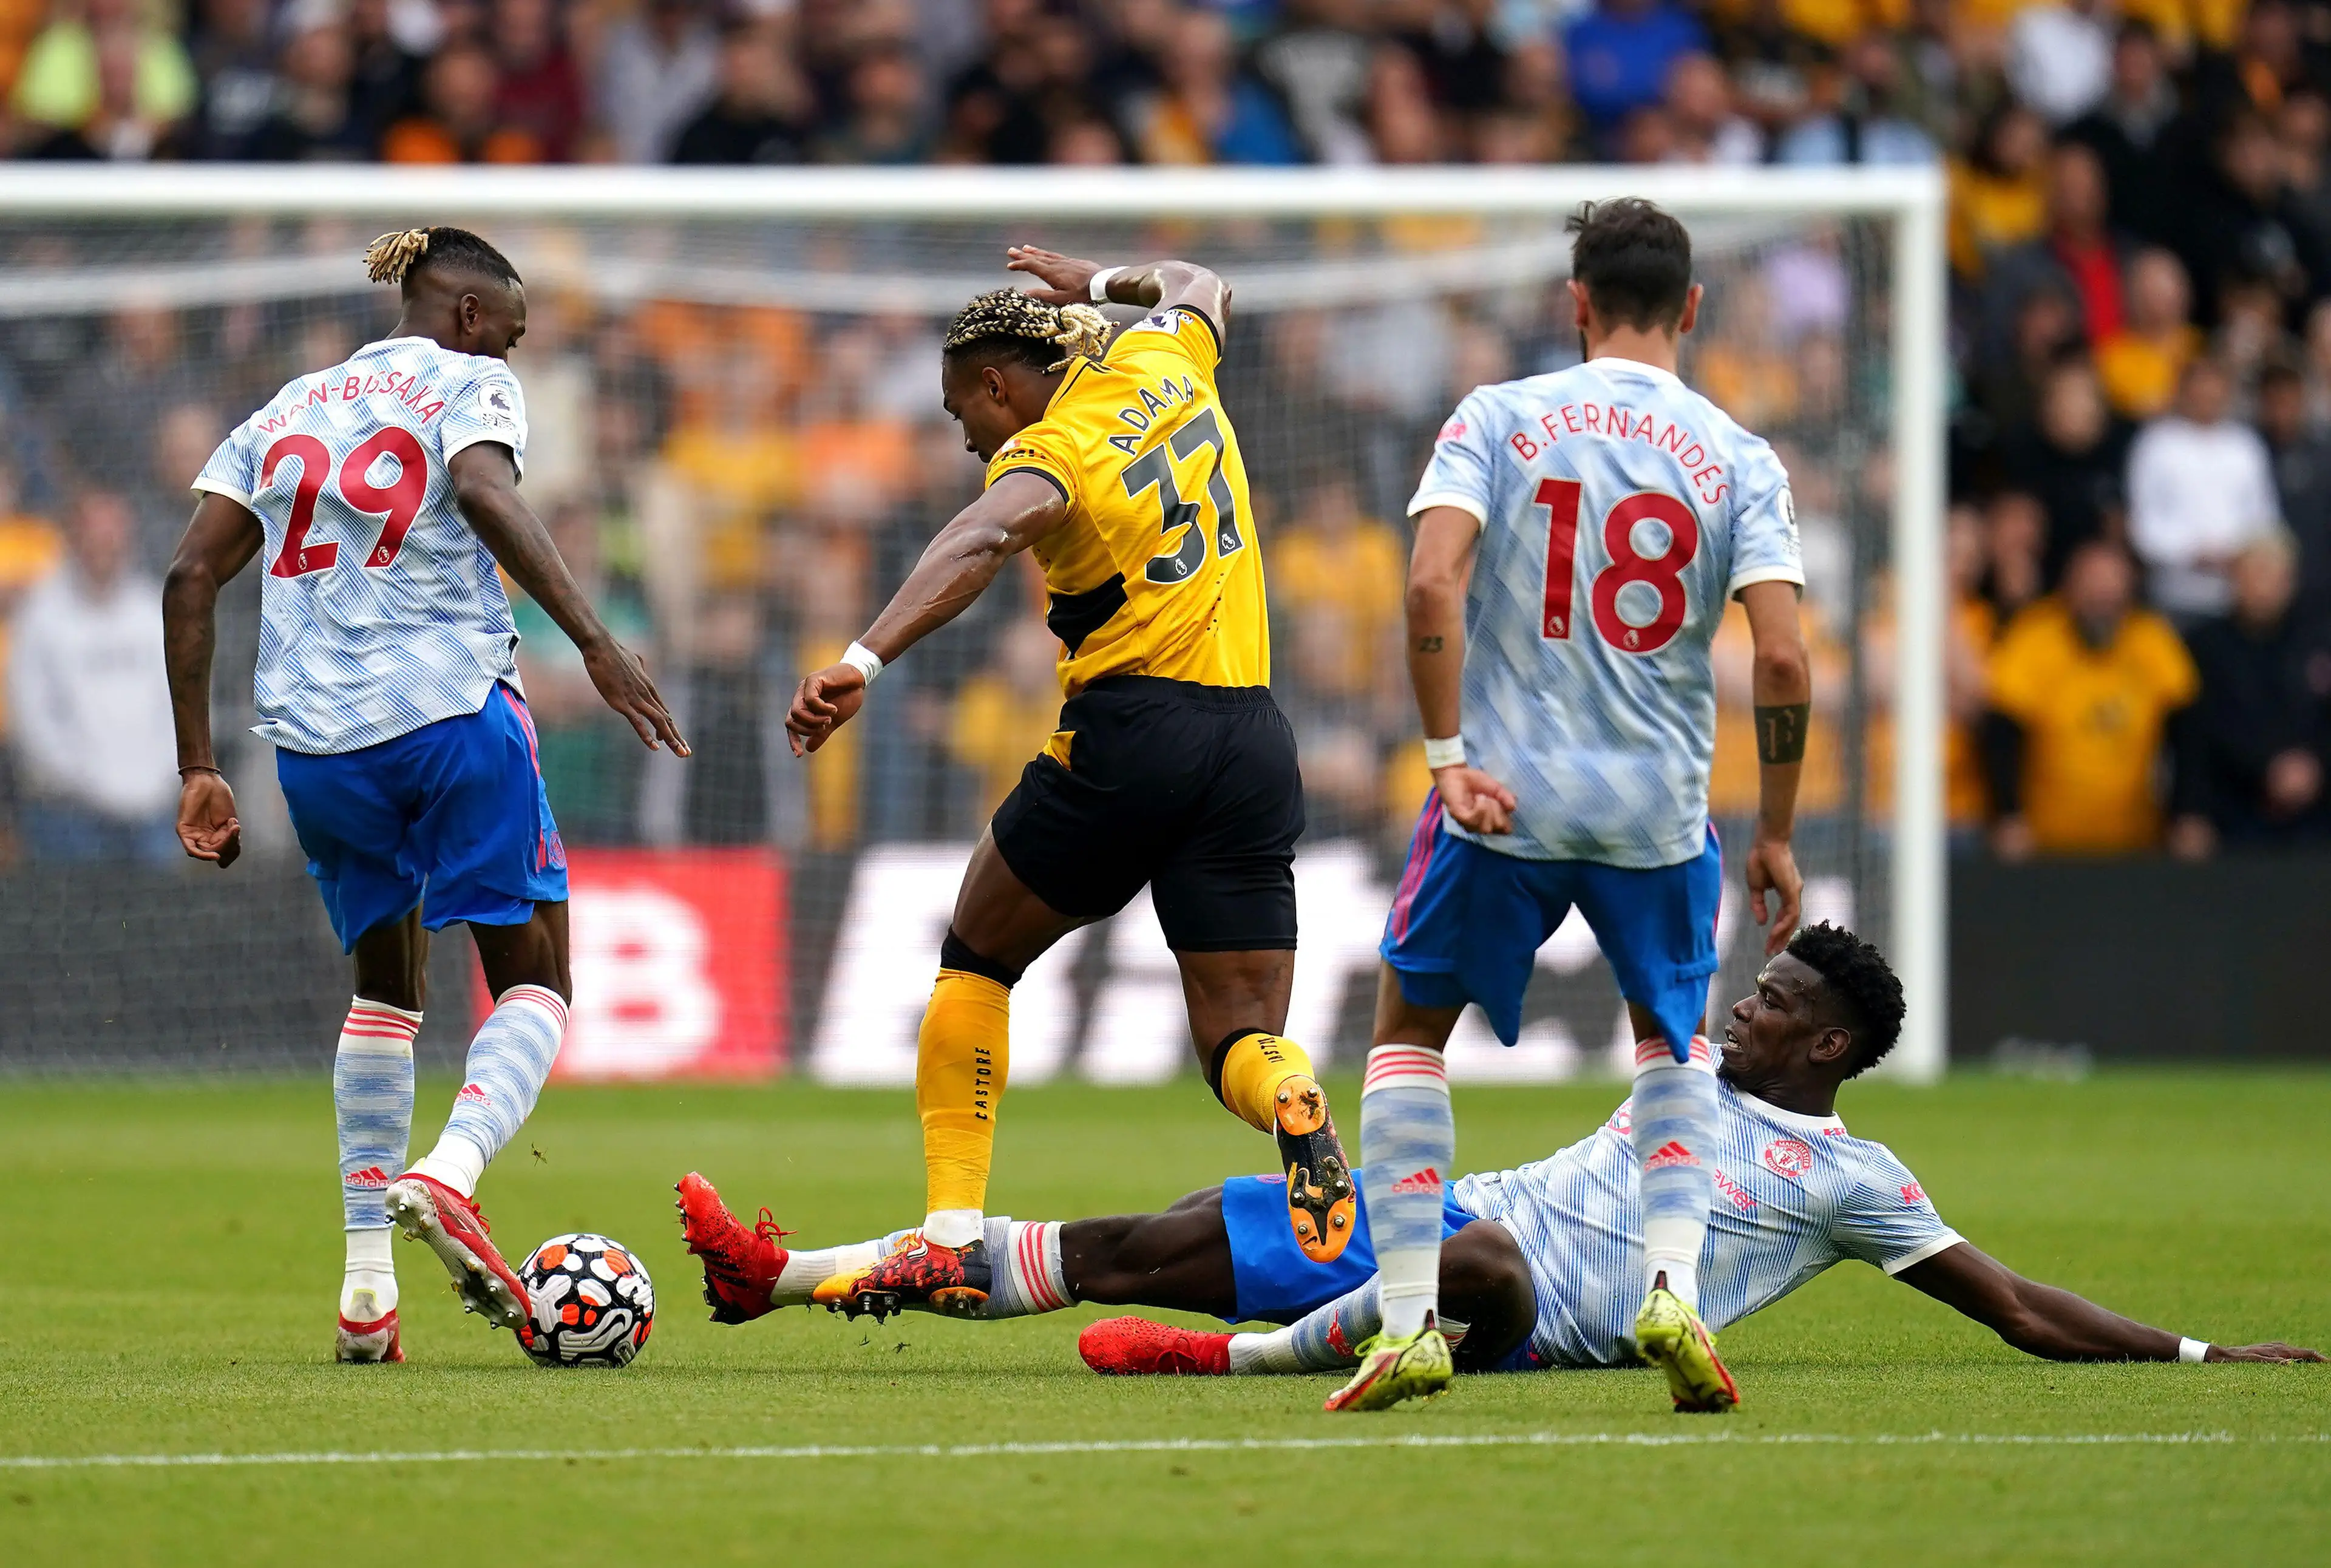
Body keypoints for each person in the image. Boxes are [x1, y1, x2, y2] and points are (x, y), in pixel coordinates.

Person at [673, 925, 2324, 1390]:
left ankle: (801, 1278)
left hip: (1522, 1292)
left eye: (1771, 1002)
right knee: (1142, 1230)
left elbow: (2017, 1300)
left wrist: (2201, 1346)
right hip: (1461, 1217)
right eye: (1747, 988)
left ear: (1827, 1045)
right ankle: (822, 1277)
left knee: (1452, 1267)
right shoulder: (1686, 1071)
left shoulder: (1856, 1178)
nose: (1736, 1010)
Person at [702, 246, 1346, 1323]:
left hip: (1134, 727)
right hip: (1252, 739)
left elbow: (982, 534)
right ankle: (1289, 1094)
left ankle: (952, 1231)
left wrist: (861, 659)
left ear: (1000, 382)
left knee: (977, 951)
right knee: (1238, 1031)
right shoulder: (1165, 363)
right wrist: (1098, 281)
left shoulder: (1058, 449)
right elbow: (1204, 285)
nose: (968, 438)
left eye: (966, 412)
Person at [161, 226, 687, 1365]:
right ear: (466, 315)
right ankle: (451, 1173)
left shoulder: (286, 407)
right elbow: (482, 490)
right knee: (537, 978)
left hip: (316, 747)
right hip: (449, 716)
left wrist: (199, 763)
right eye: (515, 327)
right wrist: (593, 639)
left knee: (385, 991)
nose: (519, 347)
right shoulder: (474, 382)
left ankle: (364, 1292)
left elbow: (189, 572)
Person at [1345, 197, 1810, 1414]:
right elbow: (1784, 662)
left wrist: (1445, 753)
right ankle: (1670, 1286)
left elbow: (1431, 577)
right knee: (1673, 1045)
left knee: (1406, 1033)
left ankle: (1405, 1324)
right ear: (1693, 309)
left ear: (1577, 302)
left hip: (1501, 793)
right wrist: (1776, 828)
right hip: (1658, 809)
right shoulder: (1741, 456)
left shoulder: (1496, 418)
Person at [1983, 538, 2196, 858]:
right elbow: (2002, 732)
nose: (2102, 599)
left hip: (2136, 843)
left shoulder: (2151, 640)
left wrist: (2188, 814)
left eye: (2112, 590)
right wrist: (2009, 814)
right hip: (2044, 847)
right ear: (2069, 588)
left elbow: (2189, 733)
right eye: (2092, 588)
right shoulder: (2034, 637)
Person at [7, 488, 178, 861]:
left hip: (152, 810)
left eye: (113, 536)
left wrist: (161, 778)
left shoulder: (153, 611)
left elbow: (184, 704)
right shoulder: (41, 616)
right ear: (74, 538)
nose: (105, 548)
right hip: (72, 814)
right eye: (95, 537)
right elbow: (35, 718)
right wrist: (91, 783)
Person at [2171, 531, 2331, 850]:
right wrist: (2190, 811)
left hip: (2319, 799)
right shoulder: (2205, 646)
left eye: (2274, 575)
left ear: (2291, 581)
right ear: (2234, 580)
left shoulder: (2319, 640)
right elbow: (2195, 737)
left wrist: (2316, 764)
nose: (2263, 586)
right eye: (2254, 573)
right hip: (2235, 803)